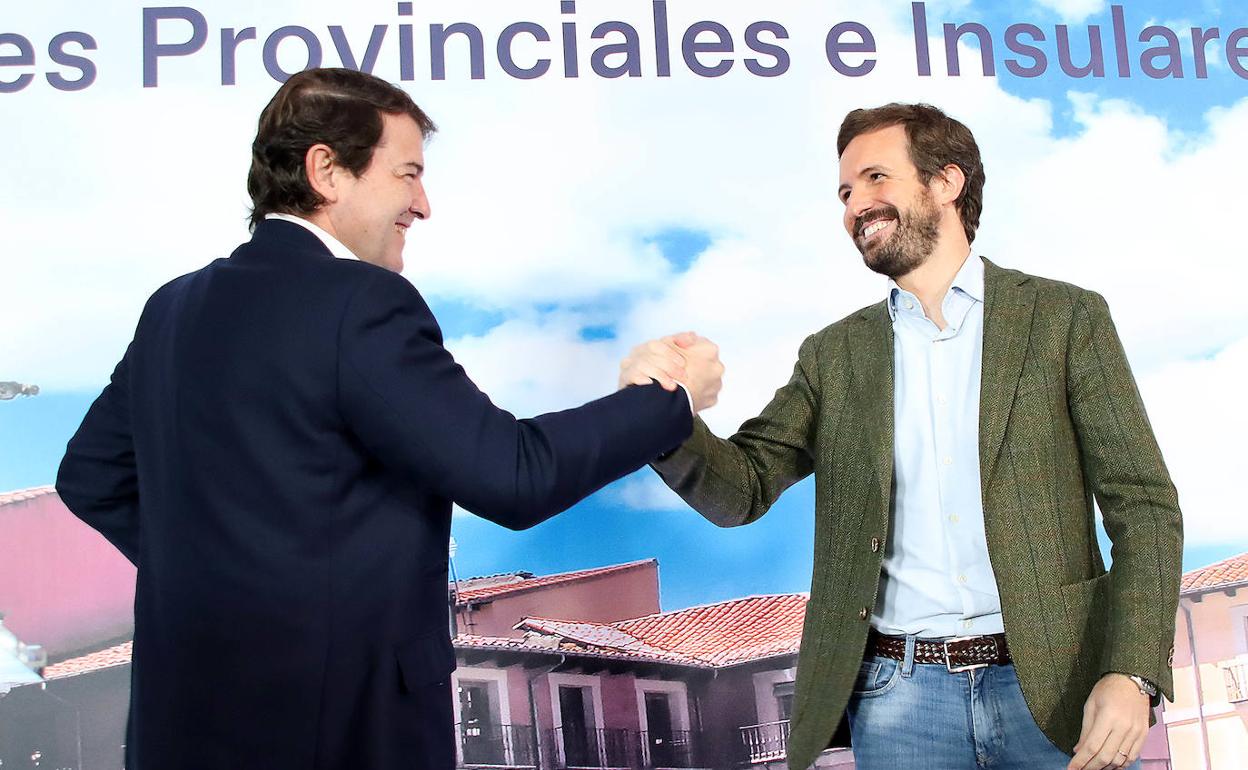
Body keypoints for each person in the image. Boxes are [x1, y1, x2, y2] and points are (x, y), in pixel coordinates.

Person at [55, 67, 722, 770]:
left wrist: (221, 579)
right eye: (407, 174)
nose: (423, 204)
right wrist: (665, 401)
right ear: (327, 171)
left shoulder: (173, 309)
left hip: (178, 730)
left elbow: (90, 476)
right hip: (342, 730)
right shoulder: (359, 303)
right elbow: (514, 475)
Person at [623, 103, 1181, 770]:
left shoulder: (1065, 319)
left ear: (947, 182)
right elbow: (741, 488)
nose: (856, 205)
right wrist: (658, 413)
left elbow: (1143, 507)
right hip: (899, 700)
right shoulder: (834, 356)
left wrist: (1133, 672)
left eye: (875, 178)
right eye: (845, 192)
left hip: (1058, 691)